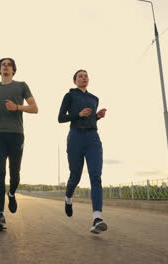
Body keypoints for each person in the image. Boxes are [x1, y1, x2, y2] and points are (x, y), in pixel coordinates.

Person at [0, 58, 38, 230]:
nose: (6, 66)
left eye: (9, 64)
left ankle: (12, 193)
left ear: (13, 69)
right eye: (3, 64)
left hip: (16, 135)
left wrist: (17, 107)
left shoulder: (21, 85)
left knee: (14, 173)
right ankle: (0, 215)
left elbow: (34, 108)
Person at [57, 69, 107, 234]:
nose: (84, 78)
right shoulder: (69, 96)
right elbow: (60, 118)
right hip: (76, 137)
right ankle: (68, 198)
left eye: (86, 75)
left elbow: (90, 118)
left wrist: (97, 116)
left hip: (92, 137)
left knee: (95, 175)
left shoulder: (94, 99)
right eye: (80, 76)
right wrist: (77, 114)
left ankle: (97, 217)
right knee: (75, 176)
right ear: (75, 80)